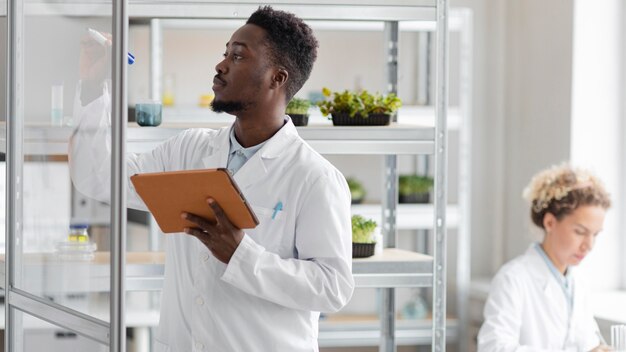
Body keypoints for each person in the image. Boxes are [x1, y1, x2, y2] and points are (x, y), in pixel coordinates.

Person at [69, 6, 354, 351]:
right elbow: (97, 175)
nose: (221, 66)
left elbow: (332, 287)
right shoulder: (188, 150)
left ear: (277, 78)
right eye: (225, 53)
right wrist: (92, 85)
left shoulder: (314, 177)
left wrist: (241, 255)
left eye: (238, 56)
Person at [477, 164, 612, 351]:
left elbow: (583, 341)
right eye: (580, 232)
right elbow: (494, 347)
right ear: (550, 222)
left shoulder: (578, 283)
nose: (589, 245)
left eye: (595, 234)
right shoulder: (513, 279)